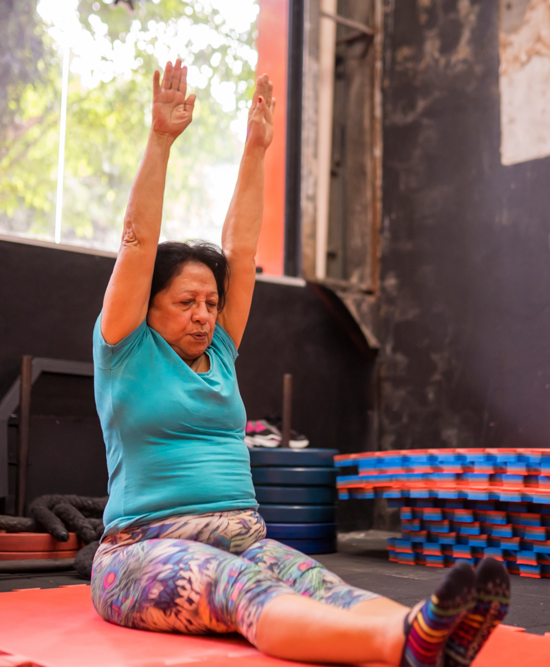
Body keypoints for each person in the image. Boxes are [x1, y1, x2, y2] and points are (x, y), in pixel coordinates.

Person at [90, 58, 511, 667]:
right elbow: (137, 242)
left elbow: (240, 247)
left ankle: (432, 632)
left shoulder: (221, 352)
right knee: (245, 592)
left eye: (211, 302)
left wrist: (256, 150)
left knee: (326, 586)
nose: (205, 313)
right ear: (149, 307)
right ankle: (401, 645)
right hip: (142, 552)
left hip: (245, 539)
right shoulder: (124, 347)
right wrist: (161, 140)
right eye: (187, 302)